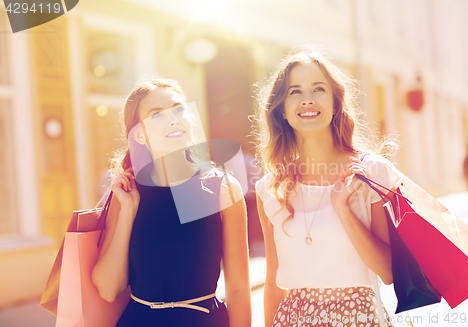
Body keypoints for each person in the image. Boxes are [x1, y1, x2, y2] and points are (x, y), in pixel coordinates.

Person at [253, 46, 402, 327]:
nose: (307, 99)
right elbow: (274, 284)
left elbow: (388, 271)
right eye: (295, 91)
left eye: (318, 89)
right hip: (292, 320)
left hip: (359, 318)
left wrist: (343, 209)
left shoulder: (370, 172)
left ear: (335, 104)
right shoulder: (270, 188)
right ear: (282, 110)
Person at [91, 78, 252, 327]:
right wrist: (128, 211)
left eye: (179, 109)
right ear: (140, 135)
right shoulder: (127, 194)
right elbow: (108, 289)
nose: (174, 119)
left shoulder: (224, 189)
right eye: (156, 115)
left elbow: (239, 289)